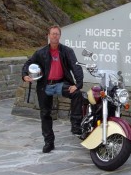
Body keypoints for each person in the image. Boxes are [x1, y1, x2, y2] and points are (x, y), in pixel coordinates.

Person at [22, 25, 84, 153]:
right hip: (45, 86)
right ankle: (49, 142)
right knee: (45, 114)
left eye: (57, 34)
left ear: (60, 36)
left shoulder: (67, 51)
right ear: (48, 35)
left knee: (77, 94)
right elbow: (28, 63)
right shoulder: (41, 52)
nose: (55, 36)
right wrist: (25, 75)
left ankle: (76, 125)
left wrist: (78, 84)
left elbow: (76, 67)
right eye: (52, 34)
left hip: (61, 84)